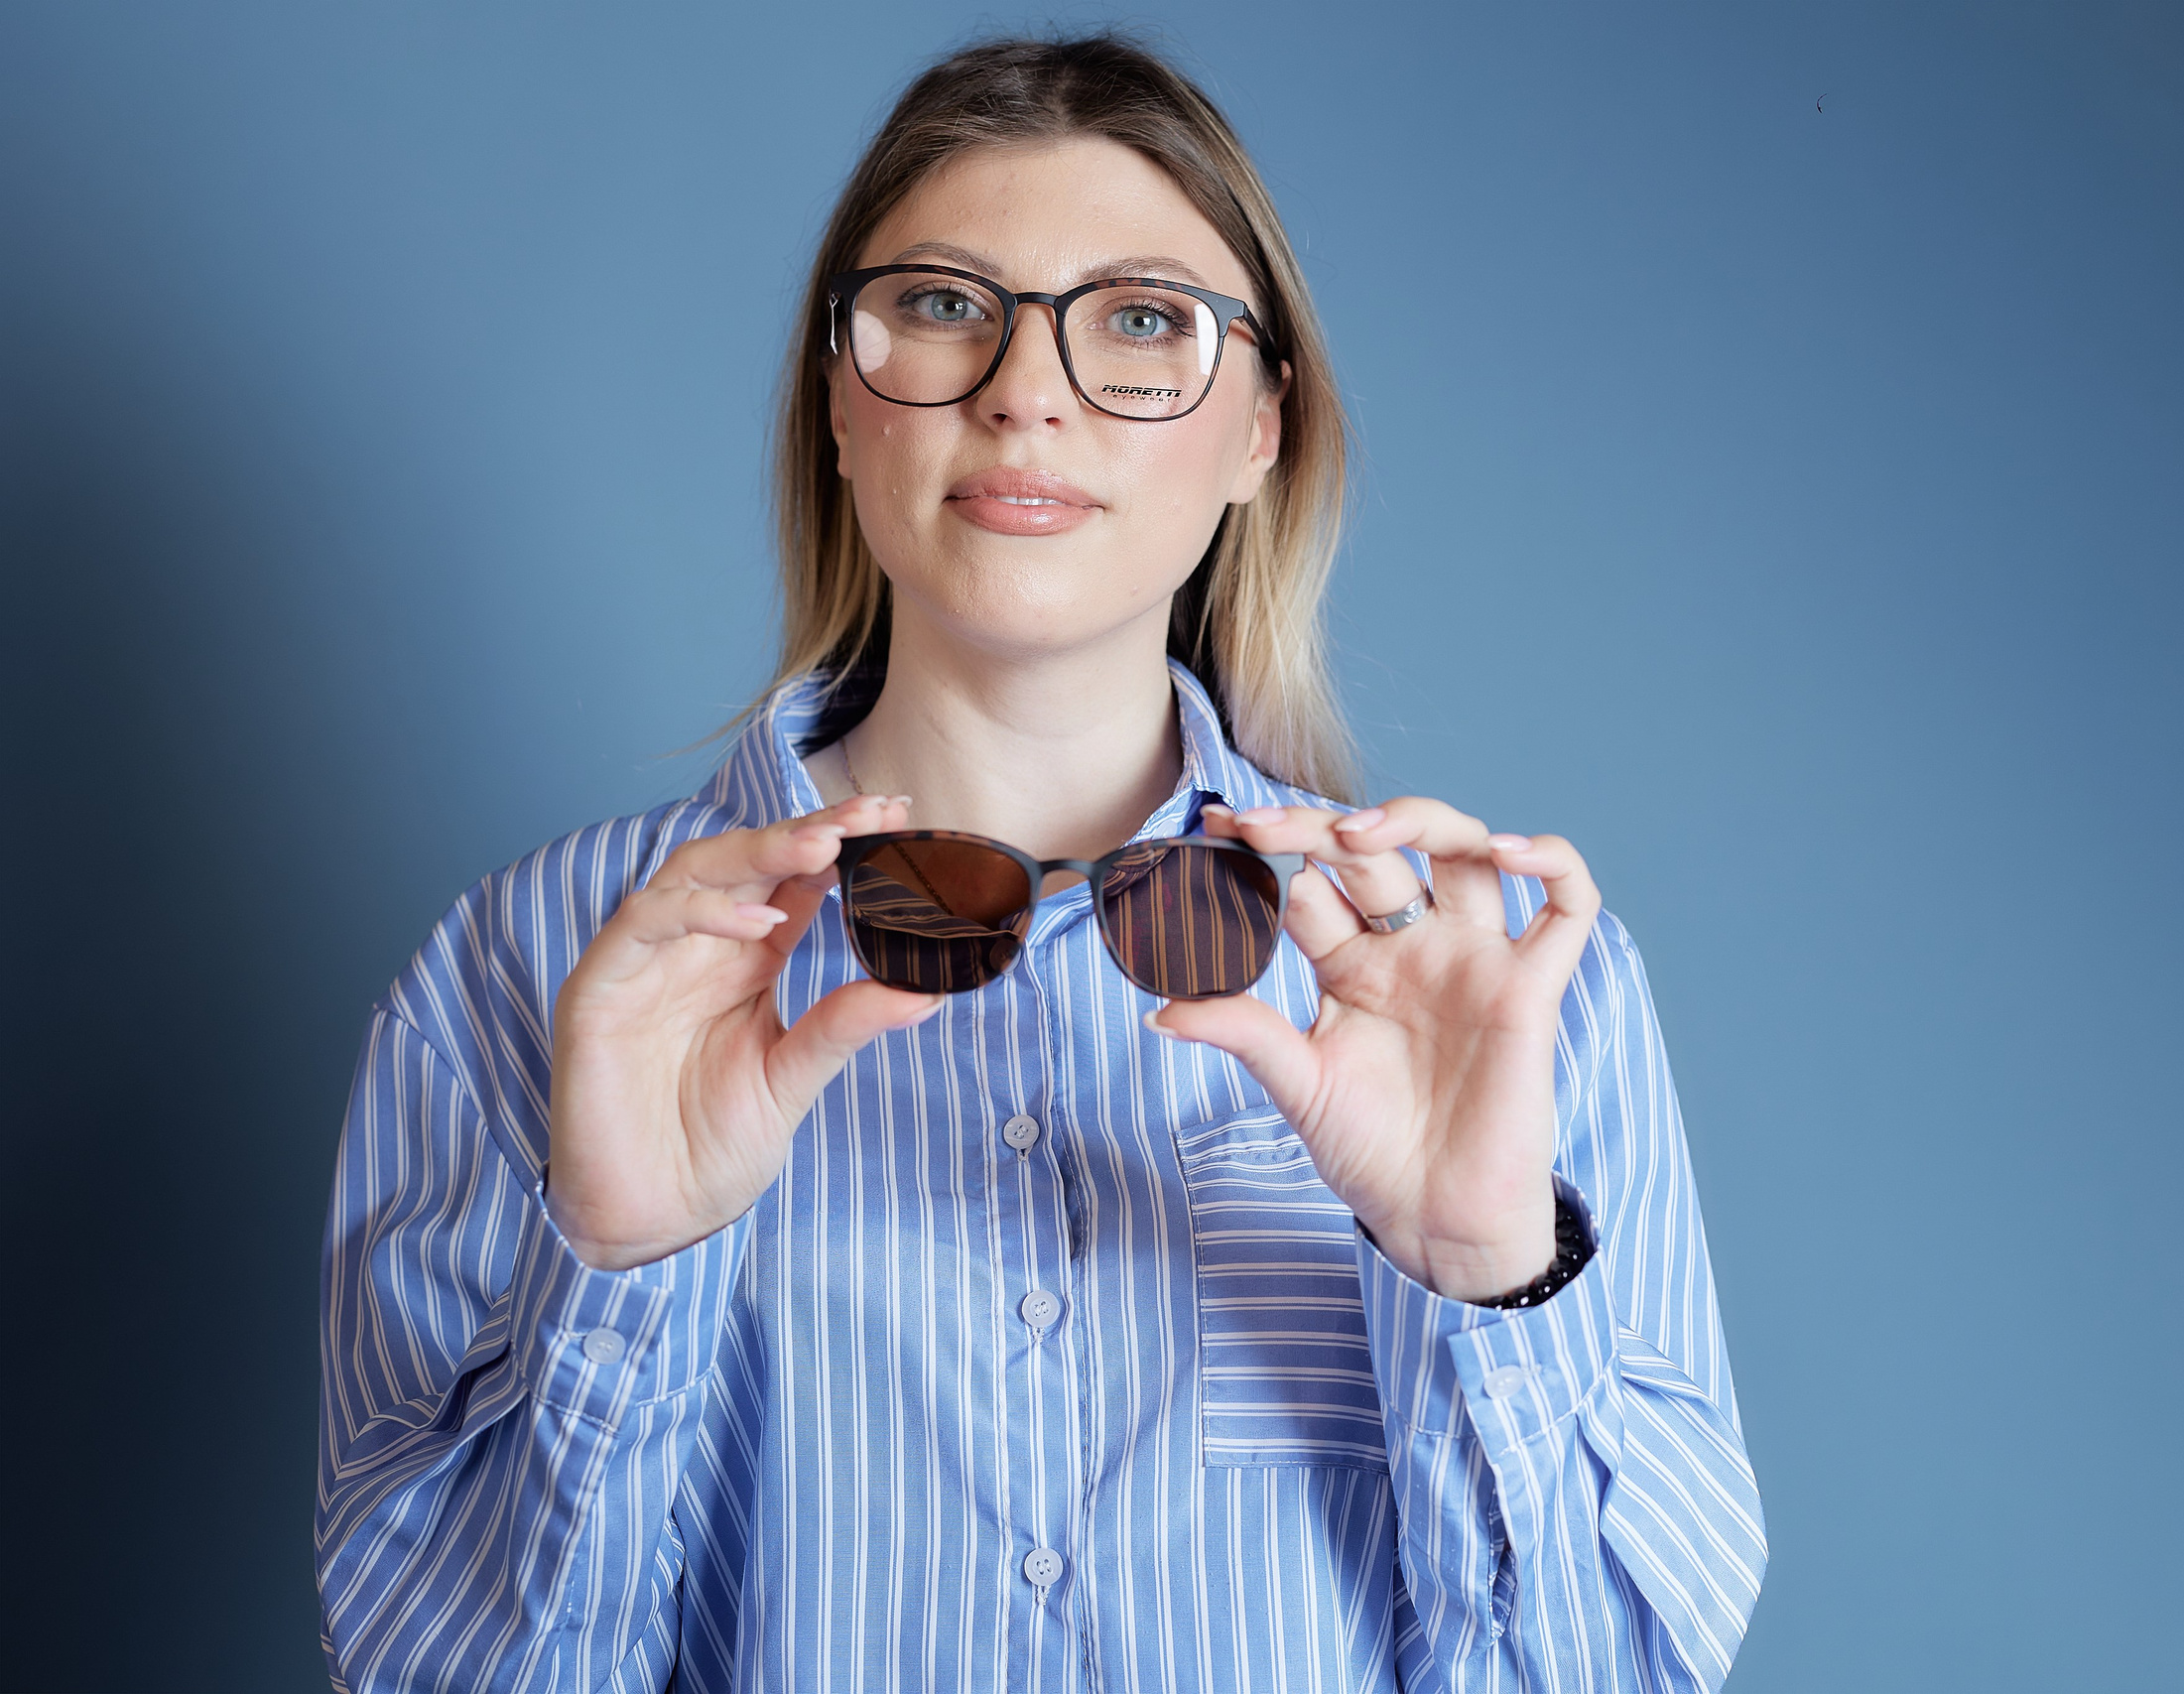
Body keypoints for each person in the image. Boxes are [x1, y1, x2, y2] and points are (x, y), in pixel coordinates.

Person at [316, 33, 1764, 1692]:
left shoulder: (1497, 991)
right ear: (839, 401)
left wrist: (1491, 1281)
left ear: (1263, 429)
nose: (1027, 389)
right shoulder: (535, 971)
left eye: (1142, 322)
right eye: (941, 305)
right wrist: (620, 1274)